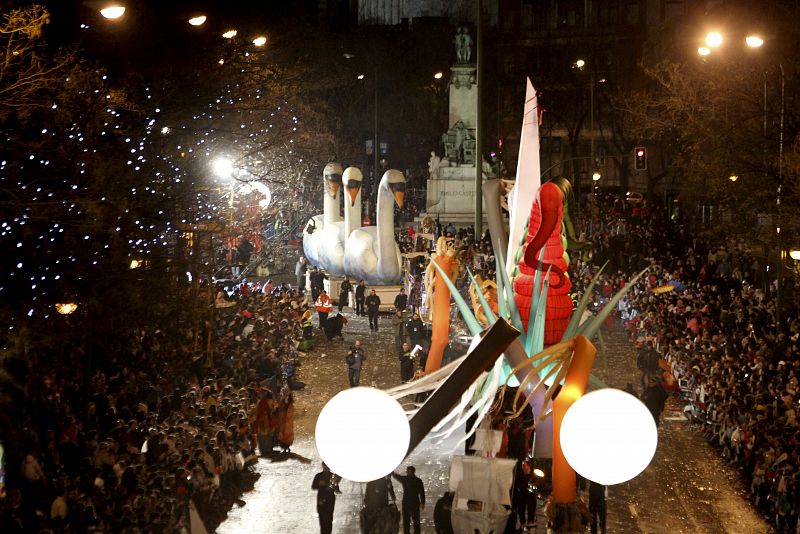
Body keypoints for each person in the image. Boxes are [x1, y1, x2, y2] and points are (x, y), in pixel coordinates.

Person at [392, 466, 425, 534]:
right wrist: (423, 502)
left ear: (409, 472)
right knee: (416, 521)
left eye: (407, 471)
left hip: (406, 502)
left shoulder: (405, 479)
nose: (406, 472)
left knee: (406, 521)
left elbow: (397, 477)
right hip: (415, 502)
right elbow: (422, 492)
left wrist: (391, 472)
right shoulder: (418, 481)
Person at [312, 463, 340, 534]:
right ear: (323, 466)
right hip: (324, 498)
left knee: (328, 517)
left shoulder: (332, 476)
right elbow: (314, 486)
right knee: (324, 517)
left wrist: (334, 487)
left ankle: (327, 532)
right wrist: (319, 484)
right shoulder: (319, 476)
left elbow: (336, 488)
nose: (326, 467)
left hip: (328, 499)